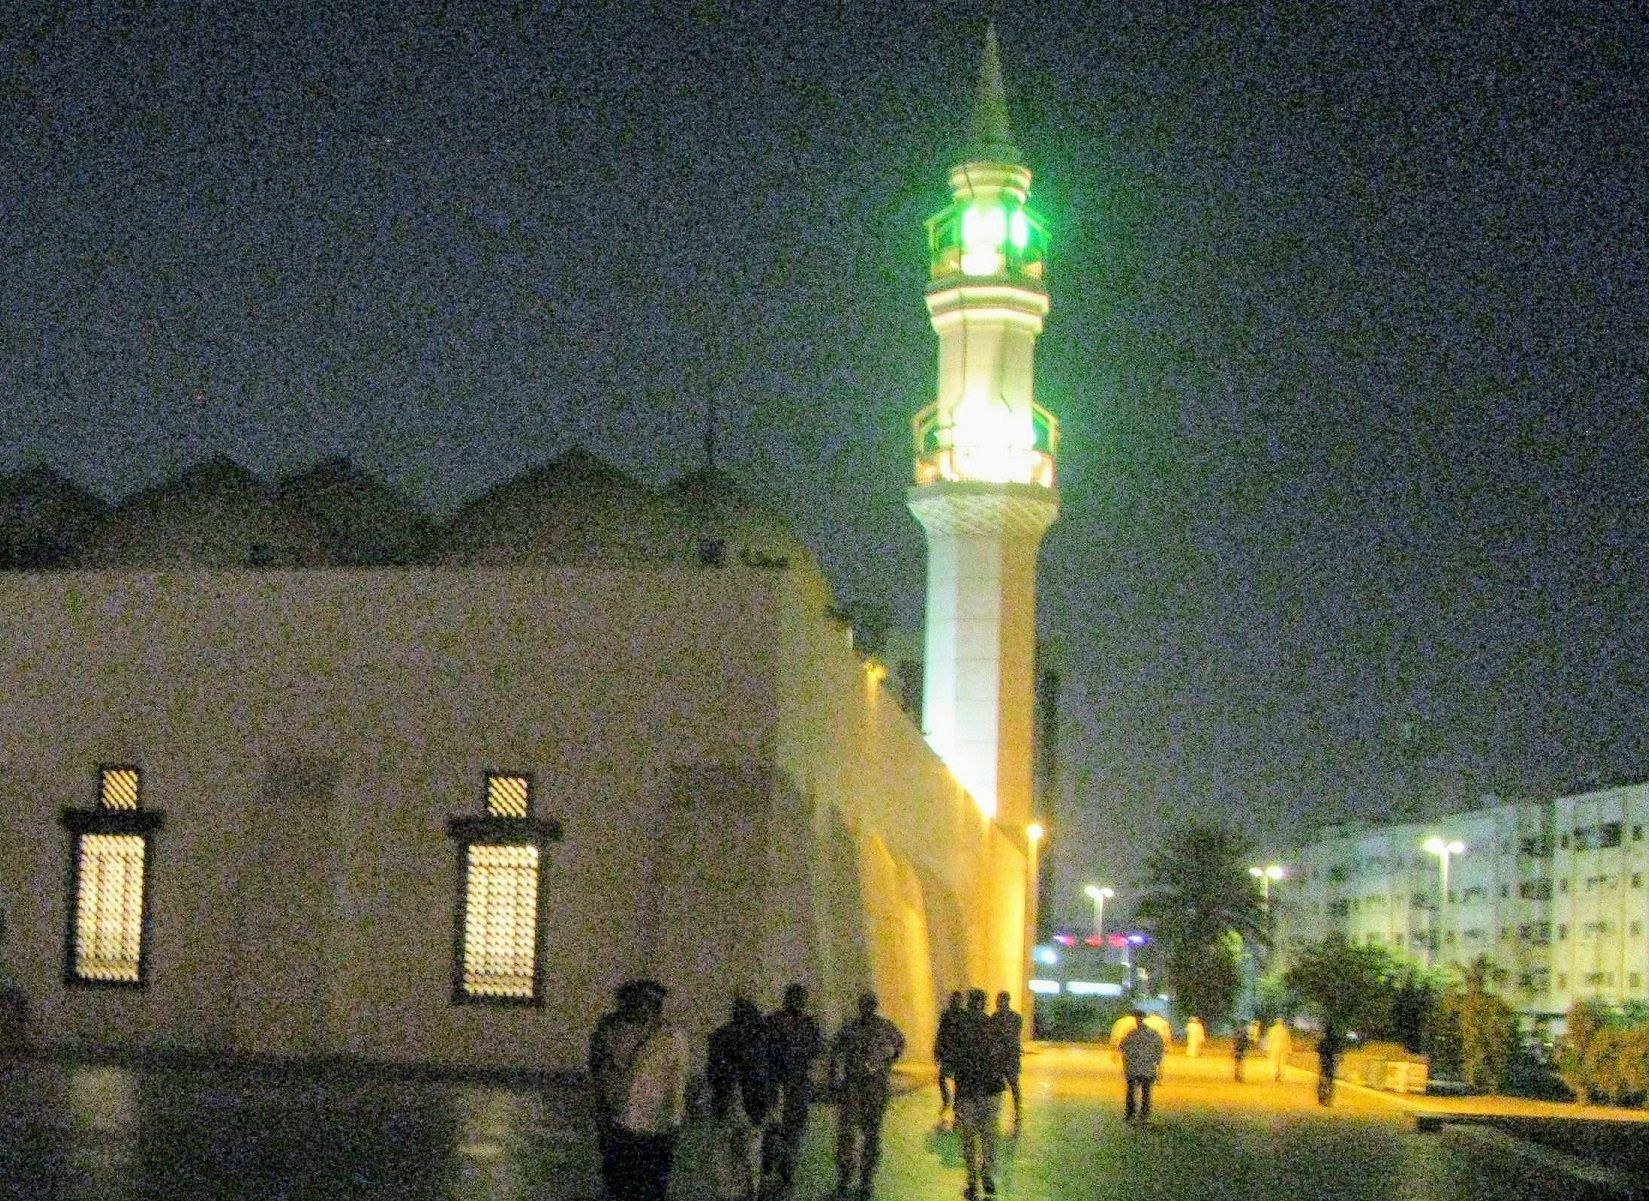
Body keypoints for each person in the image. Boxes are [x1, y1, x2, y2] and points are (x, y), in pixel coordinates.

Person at [588, 979, 689, 1201]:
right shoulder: (612, 1033)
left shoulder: (672, 1038)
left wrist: (674, 1120)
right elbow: (601, 1072)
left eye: (649, 1004)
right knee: (620, 1181)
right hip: (621, 1118)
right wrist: (603, 1108)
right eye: (638, 1003)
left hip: (655, 1123)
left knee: (651, 1183)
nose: (643, 1008)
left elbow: (676, 1082)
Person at [829, 991, 905, 1199]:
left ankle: (858, 1179)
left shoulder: (857, 1027)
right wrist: (889, 1062)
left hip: (866, 1085)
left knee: (860, 1134)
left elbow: (836, 1052)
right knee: (860, 1134)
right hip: (864, 1085)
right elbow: (899, 1042)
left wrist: (834, 1079)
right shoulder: (874, 1027)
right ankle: (857, 1178)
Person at [707, 995, 776, 1201]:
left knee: (727, 1151)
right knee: (750, 1152)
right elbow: (769, 1075)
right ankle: (749, 1192)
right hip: (751, 1105)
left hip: (729, 1102)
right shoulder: (762, 1039)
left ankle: (731, 1193)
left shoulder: (721, 1037)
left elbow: (712, 1073)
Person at [762, 983, 824, 1201]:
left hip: (789, 1086)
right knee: (784, 1131)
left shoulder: (775, 1022)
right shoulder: (799, 1024)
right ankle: (779, 1168)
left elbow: (816, 1051)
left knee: (788, 1131)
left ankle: (781, 1169)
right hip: (785, 1086)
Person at [952, 989, 1008, 1199]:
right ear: (984, 1004)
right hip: (991, 1090)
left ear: (968, 1003)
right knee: (989, 1135)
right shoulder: (994, 1026)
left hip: (968, 1091)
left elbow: (956, 1062)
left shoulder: (961, 1027)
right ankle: (988, 1177)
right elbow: (1002, 1055)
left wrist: (956, 1101)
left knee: (969, 1138)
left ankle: (972, 1181)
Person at [1118, 1008, 1165, 1124]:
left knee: (1131, 1091)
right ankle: (1144, 1114)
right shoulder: (1154, 1034)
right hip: (1147, 1067)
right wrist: (1157, 1062)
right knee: (1146, 1091)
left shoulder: (1131, 1034)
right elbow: (1159, 1049)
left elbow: (1122, 1047)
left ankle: (1130, 1113)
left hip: (1133, 1067)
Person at [989, 991, 1023, 1134]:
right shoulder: (997, 1017)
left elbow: (1011, 1036)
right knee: (1001, 1086)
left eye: (1000, 1000)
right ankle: (1001, 1113)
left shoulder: (1009, 1018)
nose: (998, 1003)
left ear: (1006, 1001)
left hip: (1007, 1057)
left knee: (1013, 1085)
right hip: (1004, 1057)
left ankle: (1017, 1112)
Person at [933, 991, 964, 1129]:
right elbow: (941, 1033)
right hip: (949, 1053)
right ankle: (947, 1101)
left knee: (958, 1083)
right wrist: (937, 1051)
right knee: (942, 1078)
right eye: (953, 1000)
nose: (955, 1003)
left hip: (959, 1054)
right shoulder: (946, 1015)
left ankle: (957, 1110)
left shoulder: (964, 1016)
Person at [1317, 1023, 1344, 1107]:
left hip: (1324, 1063)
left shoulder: (1323, 1041)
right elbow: (1339, 1052)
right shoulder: (1335, 1042)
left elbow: (1318, 1049)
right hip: (1332, 1064)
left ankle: (1322, 1100)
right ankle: (1329, 1101)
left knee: (1322, 1082)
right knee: (1330, 1082)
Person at [1264, 1018, 1293, 1082]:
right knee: (1282, 1062)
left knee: (1274, 1061)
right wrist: (1290, 1050)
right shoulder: (1285, 1030)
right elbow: (1288, 1041)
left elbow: (1269, 1040)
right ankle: (1280, 1075)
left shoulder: (1271, 1030)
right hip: (1283, 1048)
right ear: (1282, 1022)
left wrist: (1267, 1049)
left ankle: (1276, 1073)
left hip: (1274, 1048)